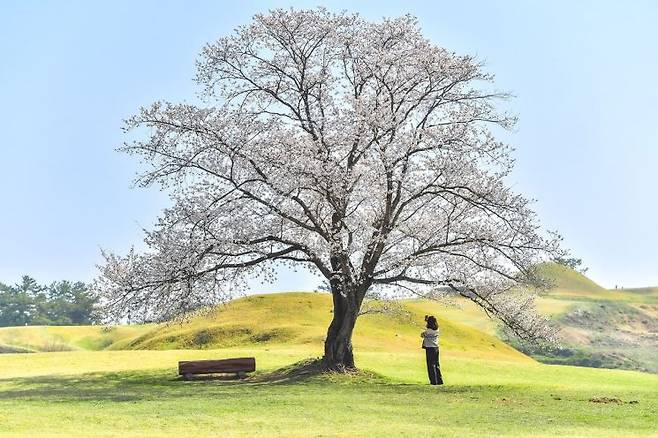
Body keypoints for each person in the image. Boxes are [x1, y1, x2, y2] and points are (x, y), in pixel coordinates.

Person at [420, 315, 443, 385]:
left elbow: (422, 335)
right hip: (436, 348)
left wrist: (427, 322)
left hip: (430, 348)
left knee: (430, 365)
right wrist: (427, 320)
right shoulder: (437, 330)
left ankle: (433, 381)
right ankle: (439, 380)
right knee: (436, 364)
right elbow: (430, 326)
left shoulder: (428, 331)